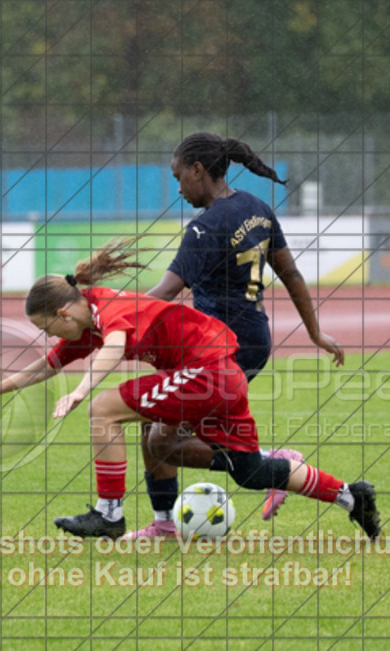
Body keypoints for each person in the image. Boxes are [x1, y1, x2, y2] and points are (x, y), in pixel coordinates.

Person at [0, 240, 379, 541]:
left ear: (63, 312)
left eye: (46, 326)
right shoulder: (89, 319)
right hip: (218, 374)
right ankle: (351, 497)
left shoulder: (109, 310)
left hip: (206, 370)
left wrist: (84, 391)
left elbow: (117, 347)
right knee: (238, 467)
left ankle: (109, 515)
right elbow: (49, 364)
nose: (49, 335)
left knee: (106, 410)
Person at [131, 132, 346, 538]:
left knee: (163, 440)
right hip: (251, 340)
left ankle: (270, 464)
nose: (178, 189)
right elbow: (291, 274)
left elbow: (163, 294)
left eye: (180, 177)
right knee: (151, 419)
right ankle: (164, 524)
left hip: (221, 350)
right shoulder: (257, 208)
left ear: (199, 170)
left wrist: (107, 310)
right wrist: (315, 333)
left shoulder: (203, 230)